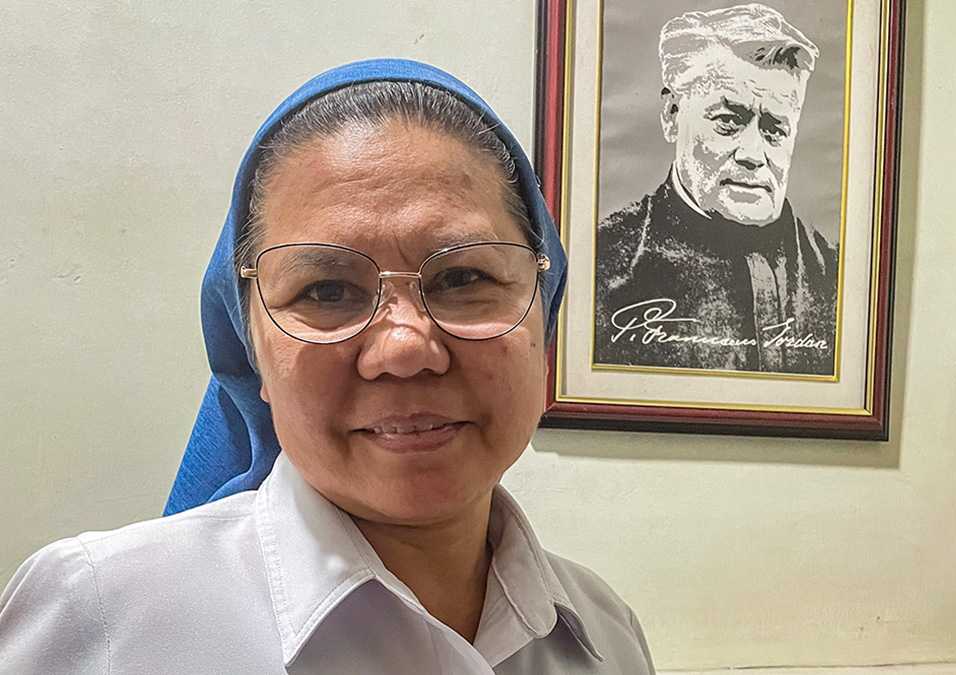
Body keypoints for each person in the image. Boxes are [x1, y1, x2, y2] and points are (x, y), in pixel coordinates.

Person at [0, 60, 655, 674]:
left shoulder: (605, 632)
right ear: (251, 343)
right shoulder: (105, 619)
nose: (404, 347)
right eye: (326, 291)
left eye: (464, 276)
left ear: (543, 319)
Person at [594, 3, 838, 375]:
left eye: (775, 129)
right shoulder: (603, 268)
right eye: (728, 121)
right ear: (672, 115)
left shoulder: (836, 276)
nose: (754, 155)